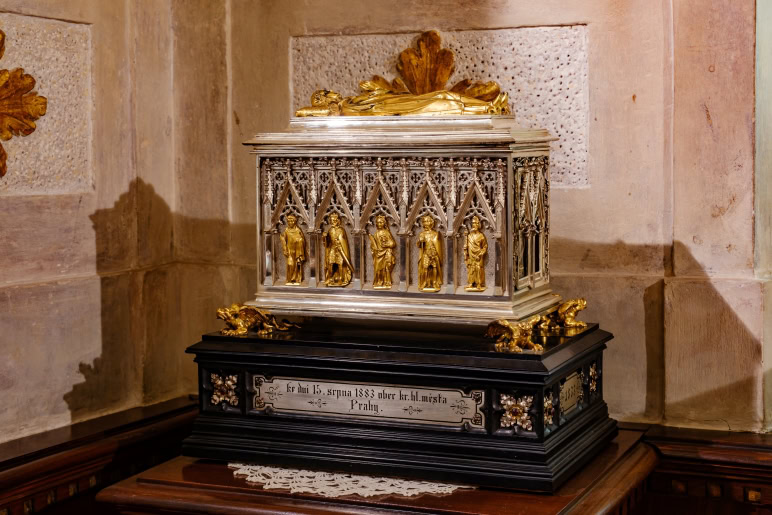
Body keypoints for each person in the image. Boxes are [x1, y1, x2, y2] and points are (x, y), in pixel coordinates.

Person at [323, 213, 353, 287]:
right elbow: (327, 243)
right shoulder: (330, 230)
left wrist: (340, 243)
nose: (333, 222)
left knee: (340, 264)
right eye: (332, 221)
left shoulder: (341, 230)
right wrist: (324, 237)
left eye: (335, 221)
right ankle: (329, 278)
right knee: (330, 263)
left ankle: (342, 278)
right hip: (333, 249)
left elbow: (344, 241)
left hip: (340, 250)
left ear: (338, 221)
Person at [369, 215, 396, 289]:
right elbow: (373, 245)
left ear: (384, 223)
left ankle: (386, 281)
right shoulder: (376, 233)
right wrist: (374, 248)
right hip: (378, 254)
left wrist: (387, 244)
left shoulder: (386, 232)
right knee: (378, 269)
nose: (379, 224)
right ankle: (379, 281)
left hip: (386, 253)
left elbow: (393, 243)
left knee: (386, 269)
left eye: (381, 222)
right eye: (378, 223)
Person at [416, 215, 443, 292]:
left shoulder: (435, 233)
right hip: (426, 254)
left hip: (434, 254)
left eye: (427, 221)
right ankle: (424, 282)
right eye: (424, 221)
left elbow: (438, 245)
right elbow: (418, 245)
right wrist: (420, 241)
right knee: (425, 268)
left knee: (434, 268)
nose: (426, 223)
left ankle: (434, 282)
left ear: (431, 222)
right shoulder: (422, 234)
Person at [463, 216, 488, 291]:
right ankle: (470, 283)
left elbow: (485, 246)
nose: (474, 225)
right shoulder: (469, 236)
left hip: (478, 255)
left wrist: (481, 253)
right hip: (471, 255)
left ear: (479, 224)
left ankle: (479, 283)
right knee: (471, 269)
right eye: (473, 223)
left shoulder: (481, 236)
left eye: (476, 223)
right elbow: (466, 246)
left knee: (478, 269)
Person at [279, 215, 305, 285]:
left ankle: (296, 279)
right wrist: (285, 249)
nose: (290, 222)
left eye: (292, 221)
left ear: (295, 221)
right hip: (290, 251)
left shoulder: (298, 230)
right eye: (289, 221)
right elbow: (284, 240)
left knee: (297, 265)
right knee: (290, 264)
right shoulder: (286, 230)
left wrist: (299, 241)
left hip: (297, 251)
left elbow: (302, 240)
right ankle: (289, 279)